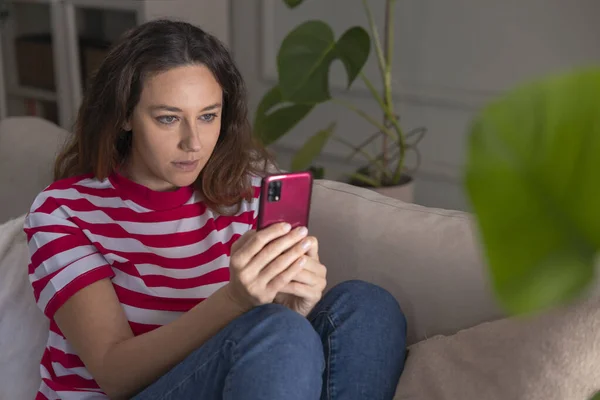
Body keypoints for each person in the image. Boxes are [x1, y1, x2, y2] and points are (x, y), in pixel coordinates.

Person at [24, 19, 408, 400]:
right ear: (124, 116)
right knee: (277, 331)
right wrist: (236, 301)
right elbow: (114, 373)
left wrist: (295, 308)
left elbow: (263, 357)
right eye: (169, 118)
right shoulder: (65, 211)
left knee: (368, 307)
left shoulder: (249, 194)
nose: (193, 142)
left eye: (208, 116)